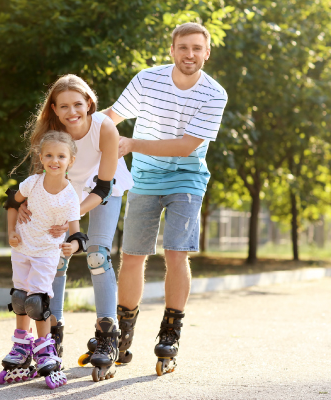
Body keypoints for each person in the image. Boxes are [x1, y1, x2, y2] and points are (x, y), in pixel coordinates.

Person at [103, 22, 227, 376]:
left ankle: (170, 332)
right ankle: (120, 335)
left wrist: (132, 144)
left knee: (176, 253)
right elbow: (111, 117)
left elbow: (188, 146)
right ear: (172, 50)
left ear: (207, 53)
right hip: (144, 178)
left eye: (196, 49)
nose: (189, 54)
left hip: (187, 178)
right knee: (132, 256)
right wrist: (74, 138)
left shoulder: (214, 93)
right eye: (183, 47)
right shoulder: (146, 80)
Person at [14, 74, 133, 382]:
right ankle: (52, 336)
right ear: (54, 108)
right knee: (54, 255)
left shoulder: (104, 128)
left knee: (96, 254)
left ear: (89, 104)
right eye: (63, 106)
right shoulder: (51, 134)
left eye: (78, 104)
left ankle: (108, 335)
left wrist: (67, 215)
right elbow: (41, 180)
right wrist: (29, 205)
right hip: (64, 191)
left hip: (102, 191)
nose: (72, 112)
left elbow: (103, 187)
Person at [0, 131, 87, 389]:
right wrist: (11, 231)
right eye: (49, 155)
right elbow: (11, 202)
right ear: (41, 157)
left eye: (61, 156)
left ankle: (45, 349)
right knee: (19, 297)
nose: (54, 160)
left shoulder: (70, 196)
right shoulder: (32, 182)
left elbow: (77, 233)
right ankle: (20, 345)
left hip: (47, 252)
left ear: (70, 160)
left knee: (37, 301)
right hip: (23, 247)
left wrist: (72, 245)